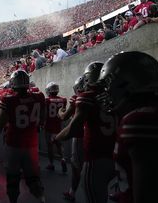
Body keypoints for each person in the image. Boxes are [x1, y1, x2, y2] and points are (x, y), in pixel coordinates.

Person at [97, 51, 158, 203]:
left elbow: (147, 195)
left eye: (110, 85)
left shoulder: (141, 120)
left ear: (127, 85)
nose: (107, 92)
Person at [54, 61, 116, 203]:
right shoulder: (114, 95)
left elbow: (72, 126)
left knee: (79, 169)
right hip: (112, 151)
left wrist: (56, 138)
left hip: (92, 150)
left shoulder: (84, 98)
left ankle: (72, 191)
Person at [0, 70, 46, 203]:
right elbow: (42, 119)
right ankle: (42, 199)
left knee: (13, 179)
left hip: (14, 144)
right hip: (32, 144)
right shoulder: (39, 96)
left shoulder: (9, 100)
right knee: (34, 179)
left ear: (13, 83)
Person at [59, 76, 85, 202]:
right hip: (103, 137)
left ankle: (72, 192)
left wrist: (60, 112)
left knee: (76, 166)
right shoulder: (103, 97)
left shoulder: (80, 98)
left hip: (81, 135)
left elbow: (64, 117)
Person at [43, 81, 67, 173]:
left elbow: (45, 114)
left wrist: (43, 123)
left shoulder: (47, 100)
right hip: (58, 126)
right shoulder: (63, 100)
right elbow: (63, 112)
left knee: (50, 146)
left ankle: (51, 163)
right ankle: (63, 159)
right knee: (59, 145)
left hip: (49, 126)